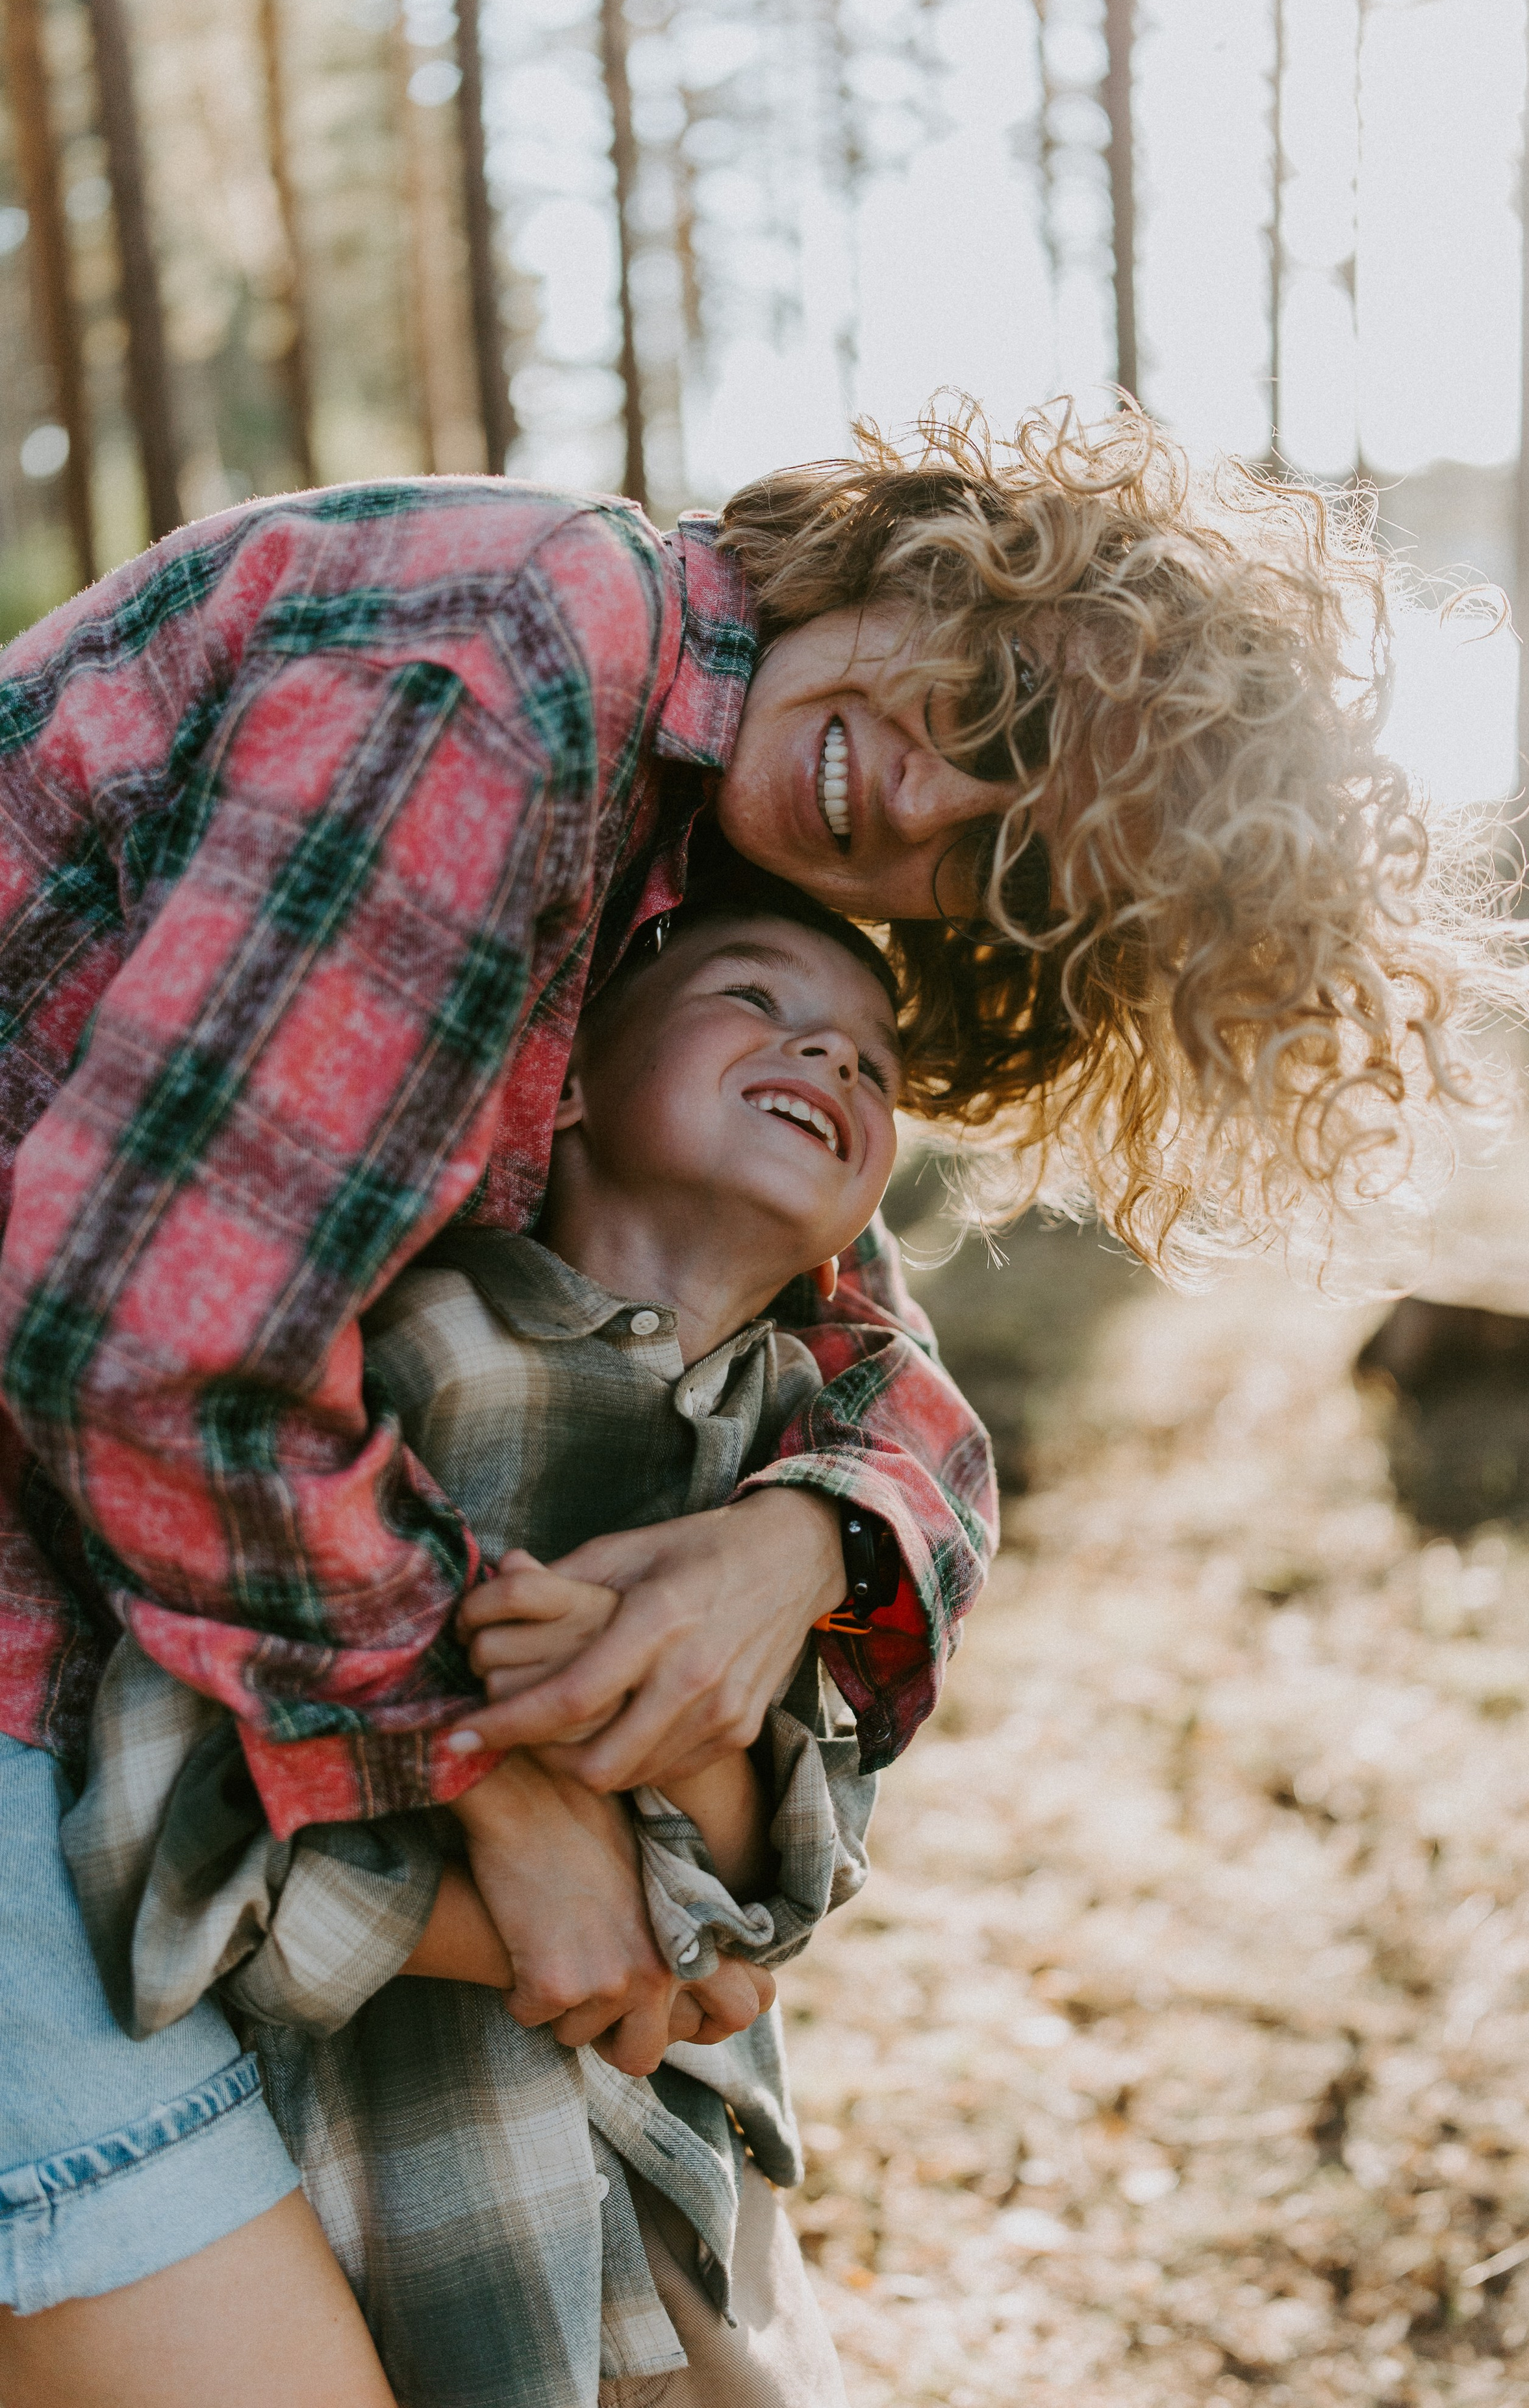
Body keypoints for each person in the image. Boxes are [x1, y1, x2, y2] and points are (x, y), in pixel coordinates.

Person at [0, 401, 1529, 2405]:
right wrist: (507, 1790)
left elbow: (891, 1386)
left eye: (1001, 855)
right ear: (938, 556)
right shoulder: (528, 648)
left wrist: (799, 1536)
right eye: (988, 703)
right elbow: (148, 1345)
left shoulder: (681, 855)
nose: (923, 805)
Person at [64, 859, 908, 2407]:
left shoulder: (806, 1461)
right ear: (564, 1081)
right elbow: (176, 1838)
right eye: (755, 1000)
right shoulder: (395, 1373)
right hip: (433, 2196)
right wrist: (539, 1907)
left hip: (696, 2205)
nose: (833, 1057)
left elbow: (798, 1863)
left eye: (872, 1056)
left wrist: (664, 1749)